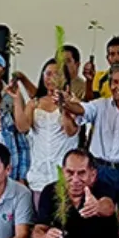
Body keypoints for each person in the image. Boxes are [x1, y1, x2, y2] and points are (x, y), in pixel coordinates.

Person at [62, 63, 119, 204]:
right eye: (115, 82)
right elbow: (82, 109)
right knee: (98, 215)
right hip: (100, 171)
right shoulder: (99, 105)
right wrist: (65, 104)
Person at [12, 59, 78, 208]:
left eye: (57, 74)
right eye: (48, 74)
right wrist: (17, 99)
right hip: (40, 169)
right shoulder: (35, 102)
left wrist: (64, 107)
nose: (52, 78)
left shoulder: (72, 101)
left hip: (63, 168)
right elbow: (22, 128)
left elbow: (70, 131)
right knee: (41, 219)